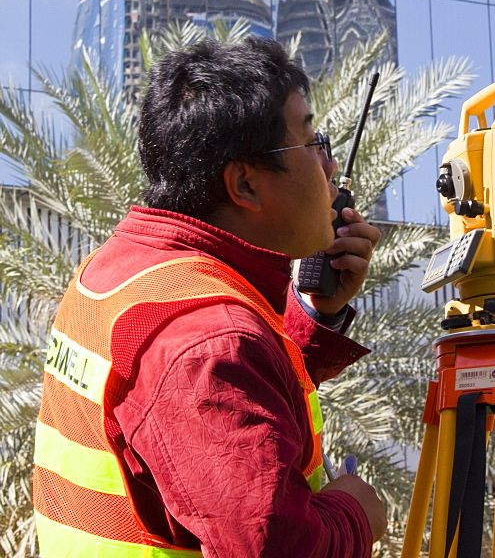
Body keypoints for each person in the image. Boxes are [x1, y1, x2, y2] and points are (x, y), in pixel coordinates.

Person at [33, 37, 387, 558]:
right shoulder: (211, 343)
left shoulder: (122, 267)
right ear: (244, 184)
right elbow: (273, 546)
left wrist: (316, 311)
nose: (330, 167)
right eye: (312, 143)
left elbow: (221, 411)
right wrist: (355, 514)